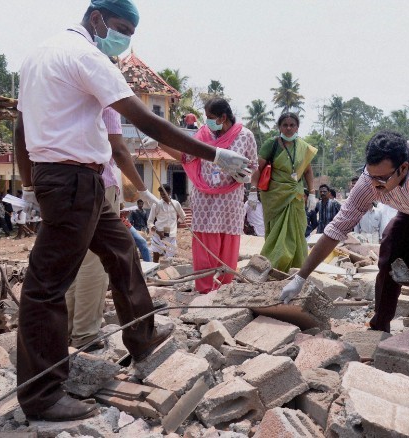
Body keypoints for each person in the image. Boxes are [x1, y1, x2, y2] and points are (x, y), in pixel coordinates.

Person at [13, 0, 251, 422]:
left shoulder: (39, 54)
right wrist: (215, 154)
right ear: (96, 17)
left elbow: (20, 125)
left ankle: (142, 335)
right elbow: (147, 122)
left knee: (123, 252)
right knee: (46, 286)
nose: (123, 41)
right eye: (121, 28)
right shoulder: (87, 56)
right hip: (72, 180)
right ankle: (42, 394)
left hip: (77, 181)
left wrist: (30, 184)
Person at [281, 132, 409, 371]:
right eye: (371, 177)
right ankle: (380, 327)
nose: (376, 185)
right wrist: (301, 277)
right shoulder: (371, 180)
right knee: (390, 253)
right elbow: (337, 228)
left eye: (382, 179)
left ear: (403, 168)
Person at [66, 104, 158, 352]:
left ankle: (69, 329)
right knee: (98, 260)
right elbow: (118, 149)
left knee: (75, 260)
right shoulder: (103, 100)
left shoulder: (67, 94)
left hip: (64, 183)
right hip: (98, 182)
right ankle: (85, 334)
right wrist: (142, 189)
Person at [158, 97, 257, 293]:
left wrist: (244, 177)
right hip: (204, 198)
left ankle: (224, 288)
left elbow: (253, 165)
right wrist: (161, 143)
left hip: (230, 198)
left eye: (211, 117)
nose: (207, 121)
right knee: (205, 242)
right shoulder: (203, 135)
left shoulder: (245, 136)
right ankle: (205, 289)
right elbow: (185, 156)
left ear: (223, 117)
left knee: (228, 242)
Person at [253, 112, 317, 272]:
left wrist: (312, 192)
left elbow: (308, 171)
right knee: (276, 231)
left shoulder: (303, 147)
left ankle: (298, 267)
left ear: (297, 127)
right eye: (285, 125)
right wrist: (253, 191)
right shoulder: (271, 144)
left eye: (292, 125)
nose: (289, 128)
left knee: (296, 230)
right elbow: (258, 169)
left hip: (295, 194)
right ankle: (273, 265)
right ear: (279, 127)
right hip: (275, 196)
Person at [148, 184, 186, 263]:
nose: (162, 196)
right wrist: (158, 232)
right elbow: (150, 221)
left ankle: (167, 273)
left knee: (169, 259)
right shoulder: (156, 204)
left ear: (169, 192)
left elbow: (183, 216)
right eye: (161, 194)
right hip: (158, 235)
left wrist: (176, 225)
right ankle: (155, 272)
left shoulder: (176, 204)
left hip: (171, 235)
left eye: (164, 194)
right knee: (156, 256)